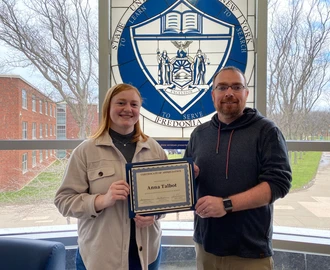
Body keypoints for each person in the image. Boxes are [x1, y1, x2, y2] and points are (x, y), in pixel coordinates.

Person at [184, 66, 292, 270]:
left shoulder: (267, 131)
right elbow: (183, 183)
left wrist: (225, 204)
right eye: (222, 87)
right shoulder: (199, 134)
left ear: (246, 93)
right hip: (206, 247)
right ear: (213, 95)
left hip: (250, 253)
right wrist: (191, 176)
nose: (229, 93)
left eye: (236, 87)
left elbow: (278, 184)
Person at [54, 83, 167, 270]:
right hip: (100, 256)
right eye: (121, 103)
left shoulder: (154, 149)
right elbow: (63, 201)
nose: (128, 109)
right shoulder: (85, 151)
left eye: (134, 104)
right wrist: (102, 200)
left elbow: (167, 197)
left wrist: (155, 215)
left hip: (145, 254)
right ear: (108, 107)